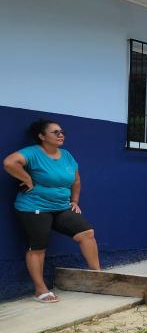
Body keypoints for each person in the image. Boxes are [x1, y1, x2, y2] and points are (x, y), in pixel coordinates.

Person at [3, 119, 101, 303]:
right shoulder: (33, 153)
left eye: (62, 132)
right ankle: (40, 290)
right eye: (55, 132)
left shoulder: (66, 155)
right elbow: (9, 163)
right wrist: (27, 179)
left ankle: (97, 275)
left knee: (86, 233)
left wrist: (74, 201)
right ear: (41, 136)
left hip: (61, 207)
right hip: (34, 207)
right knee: (38, 246)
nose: (61, 135)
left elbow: (76, 180)